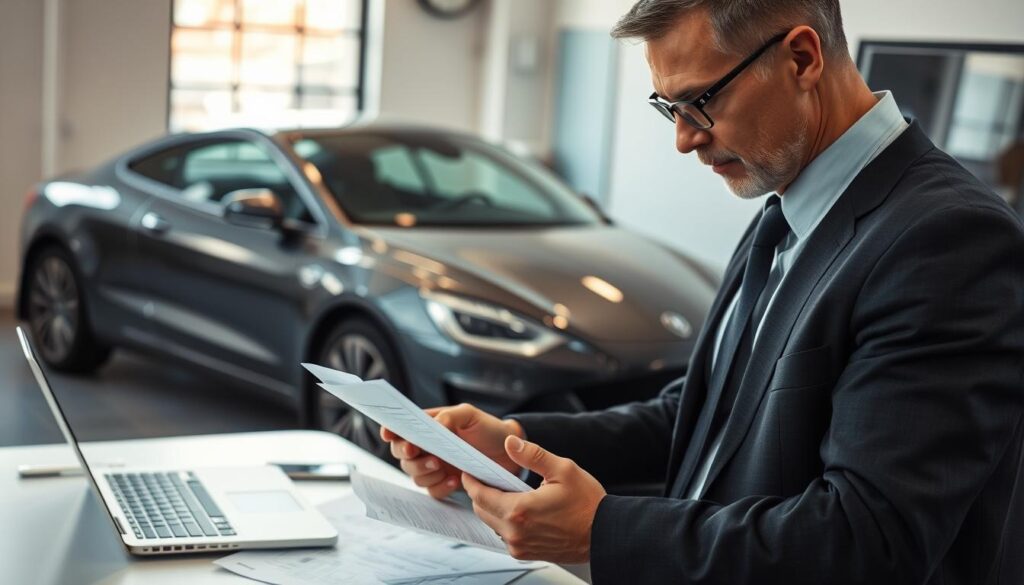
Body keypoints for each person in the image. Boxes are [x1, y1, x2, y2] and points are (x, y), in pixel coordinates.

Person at [382, 1, 1024, 583]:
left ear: (801, 57)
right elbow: (700, 417)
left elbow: (870, 540)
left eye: (701, 102)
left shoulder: (947, 239)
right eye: (669, 109)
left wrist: (600, 532)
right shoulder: (787, 207)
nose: (685, 138)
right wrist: (515, 444)